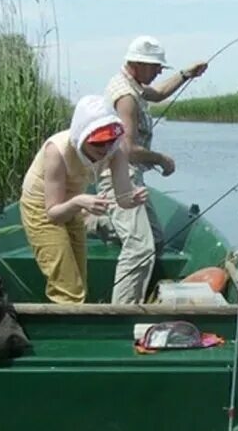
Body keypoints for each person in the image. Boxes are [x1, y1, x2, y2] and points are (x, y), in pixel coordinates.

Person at [97, 35, 208, 304]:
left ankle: (101, 219)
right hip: (119, 178)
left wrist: (185, 75)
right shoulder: (126, 97)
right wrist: (161, 159)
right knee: (139, 248)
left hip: (132, 177)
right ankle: (122, 313)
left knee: (156, 240)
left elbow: (157, 94)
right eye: (156, 66)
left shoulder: (132, 85)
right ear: (137, 63)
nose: (159, 71)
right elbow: (128, 148)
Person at [20, 95, 147, 304]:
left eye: (110, 143)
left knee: (79, 279)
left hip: (74, 202)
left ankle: (74, 322)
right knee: (68, 288)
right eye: (98, 146)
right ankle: (67, 333)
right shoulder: (57, 151)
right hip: (42, 207)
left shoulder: (116, 149)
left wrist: (132, 199)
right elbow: (52, 213)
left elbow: (123, 199)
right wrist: (79, 202)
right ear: (82, 138)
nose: (105, 150)